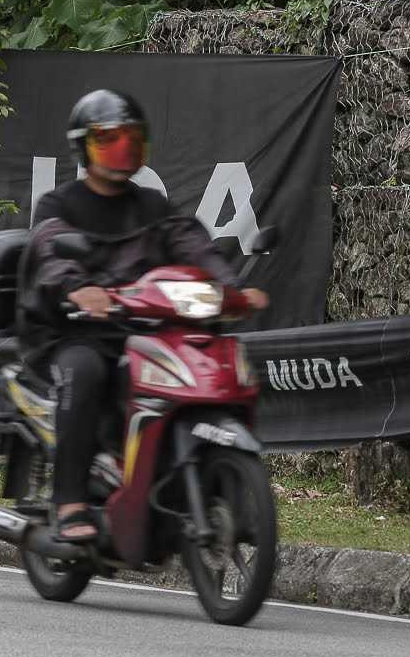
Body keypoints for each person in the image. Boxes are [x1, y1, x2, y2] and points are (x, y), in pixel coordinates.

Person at [23, 89, 269, 543]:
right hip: (77, 333)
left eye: (132, 139)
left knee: (210, 367)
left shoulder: (153, 207)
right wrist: (80, 289)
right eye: (108, 139)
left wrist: (231, 289)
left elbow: (195, 246)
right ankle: (70, 499)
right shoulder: (59, 206)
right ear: (83, 147)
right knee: (87, 372)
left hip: (148, 331)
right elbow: (49, 250)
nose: (123, 149)